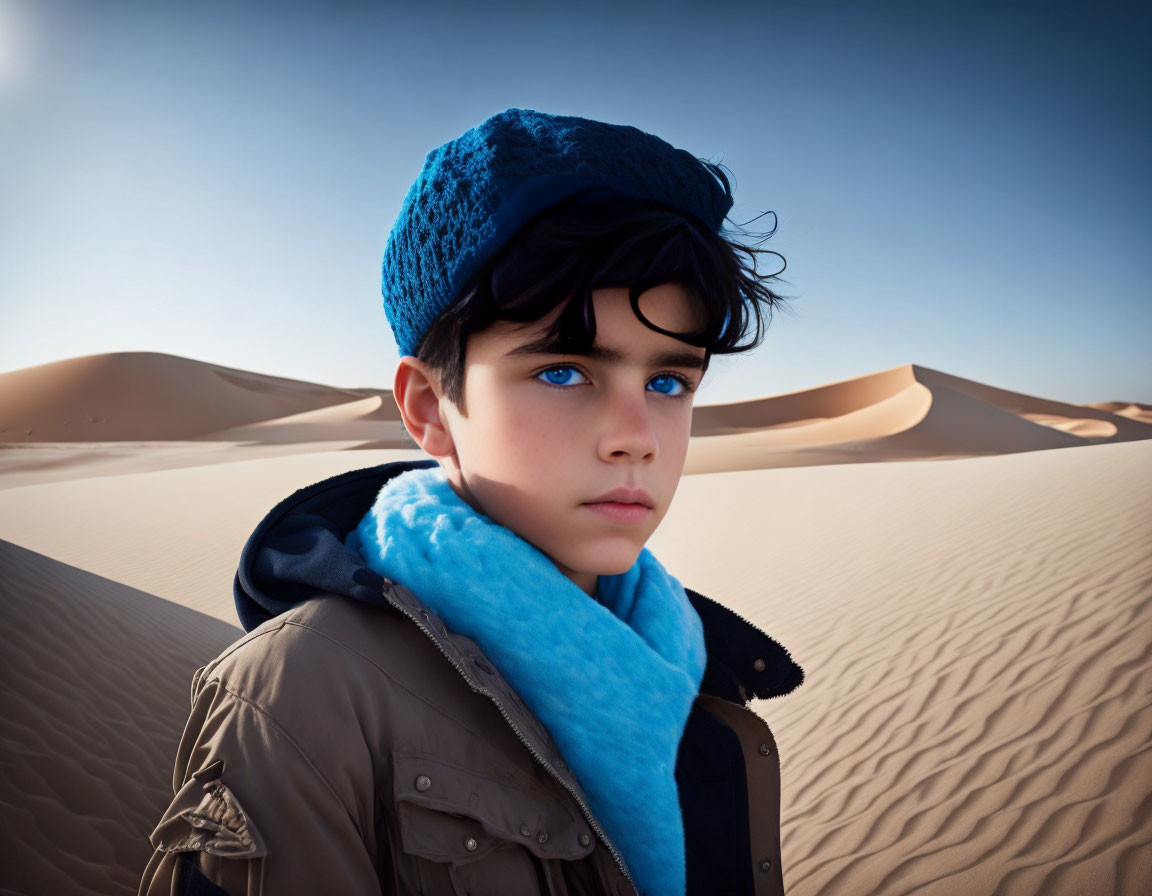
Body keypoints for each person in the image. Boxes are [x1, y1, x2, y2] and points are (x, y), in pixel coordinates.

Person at [140, 107, 804, 896]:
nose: (637, 437)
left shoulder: (675, 648)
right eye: (564, 372)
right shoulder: (295, 702)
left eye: (668, 382)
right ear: (427, 408)